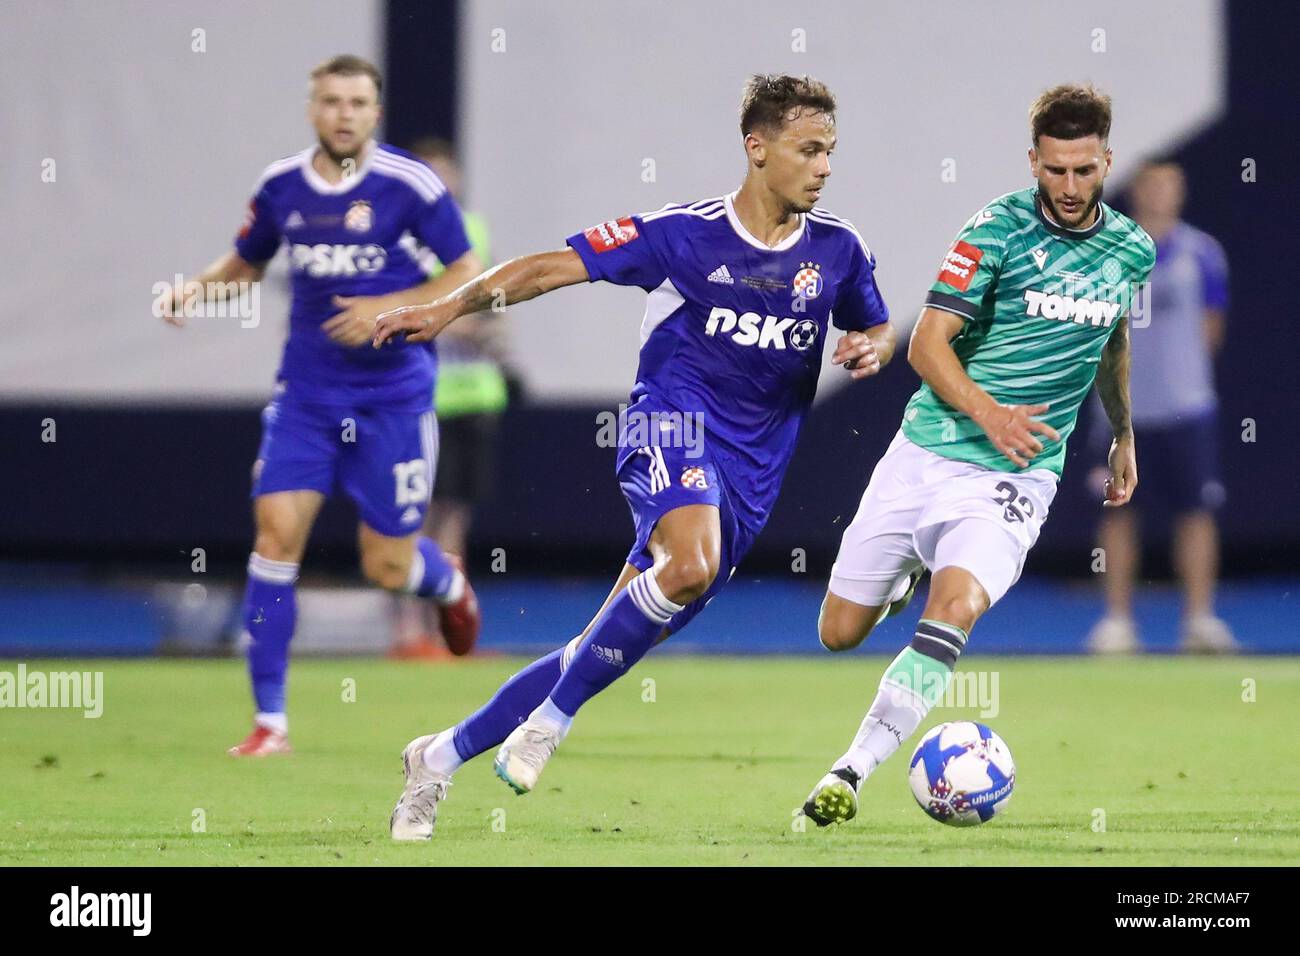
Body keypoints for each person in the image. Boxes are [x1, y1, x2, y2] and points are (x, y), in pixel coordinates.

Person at [373, 74, 897, 840]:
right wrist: (444, 306)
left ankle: (439, 756)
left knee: (600, 644)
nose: (823, 167)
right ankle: (550, 725)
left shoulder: (840, 251)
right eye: (808, 149)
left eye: (830, 152)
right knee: (689, 564)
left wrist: (871, 346)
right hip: (669, 425)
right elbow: (548, 267)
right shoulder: (683, 234)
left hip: (751, 478)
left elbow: (876, 324)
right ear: (757, 149)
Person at [800, 84, 1156, 827]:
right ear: (1033, 160)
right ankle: (902, 575)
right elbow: (926, 347)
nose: (1068, 187)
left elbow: (1111, 341)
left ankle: (850, 771)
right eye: (1054, 170)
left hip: (1019, 471)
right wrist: (989, 413)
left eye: (1084, 171)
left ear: (1106, 162)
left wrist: (1123, 431)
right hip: (929, 450)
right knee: (838, 633)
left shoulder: (1130, 249)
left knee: (955, 607)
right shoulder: (993, 230)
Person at [161, 55, 483, 755]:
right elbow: (247, 261)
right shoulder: (281, 187)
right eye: (331, 101)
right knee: (275, 537)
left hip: (391, 401)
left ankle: (448, 583)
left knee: (387, 568)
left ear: (375, 112)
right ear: (314, 110)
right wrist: (193, 289)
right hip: (306, 397)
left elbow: (465, 273)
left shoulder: (411, 186)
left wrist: (389, 305)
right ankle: (270, 721)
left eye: (358, 101)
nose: (343, 112)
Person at [1085, 159, 1236, 654]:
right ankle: (1117, 623)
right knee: (1119, 513)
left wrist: (1176, 379)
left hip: (1187, 411)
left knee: (1195, 511)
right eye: (1150, 185)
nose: (1158, 194)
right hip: (1120, 413)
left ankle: (1199, 620)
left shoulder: (1204, 254)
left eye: (1168, 186)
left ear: (1180, 191)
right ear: (1135, 191)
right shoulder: (1105, 254)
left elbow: (1211, 329)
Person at [391, 138, 512, 659]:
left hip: (475, 397)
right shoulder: (401, 237)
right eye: (430, 175)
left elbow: (497, 303)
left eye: (448, 175)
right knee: (414, 517)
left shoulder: (473, 231)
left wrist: (487, 328)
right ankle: (407, 632)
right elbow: (407, 312)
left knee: (455, 522)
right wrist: (455, 321)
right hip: (425, 399)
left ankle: (447, 632)